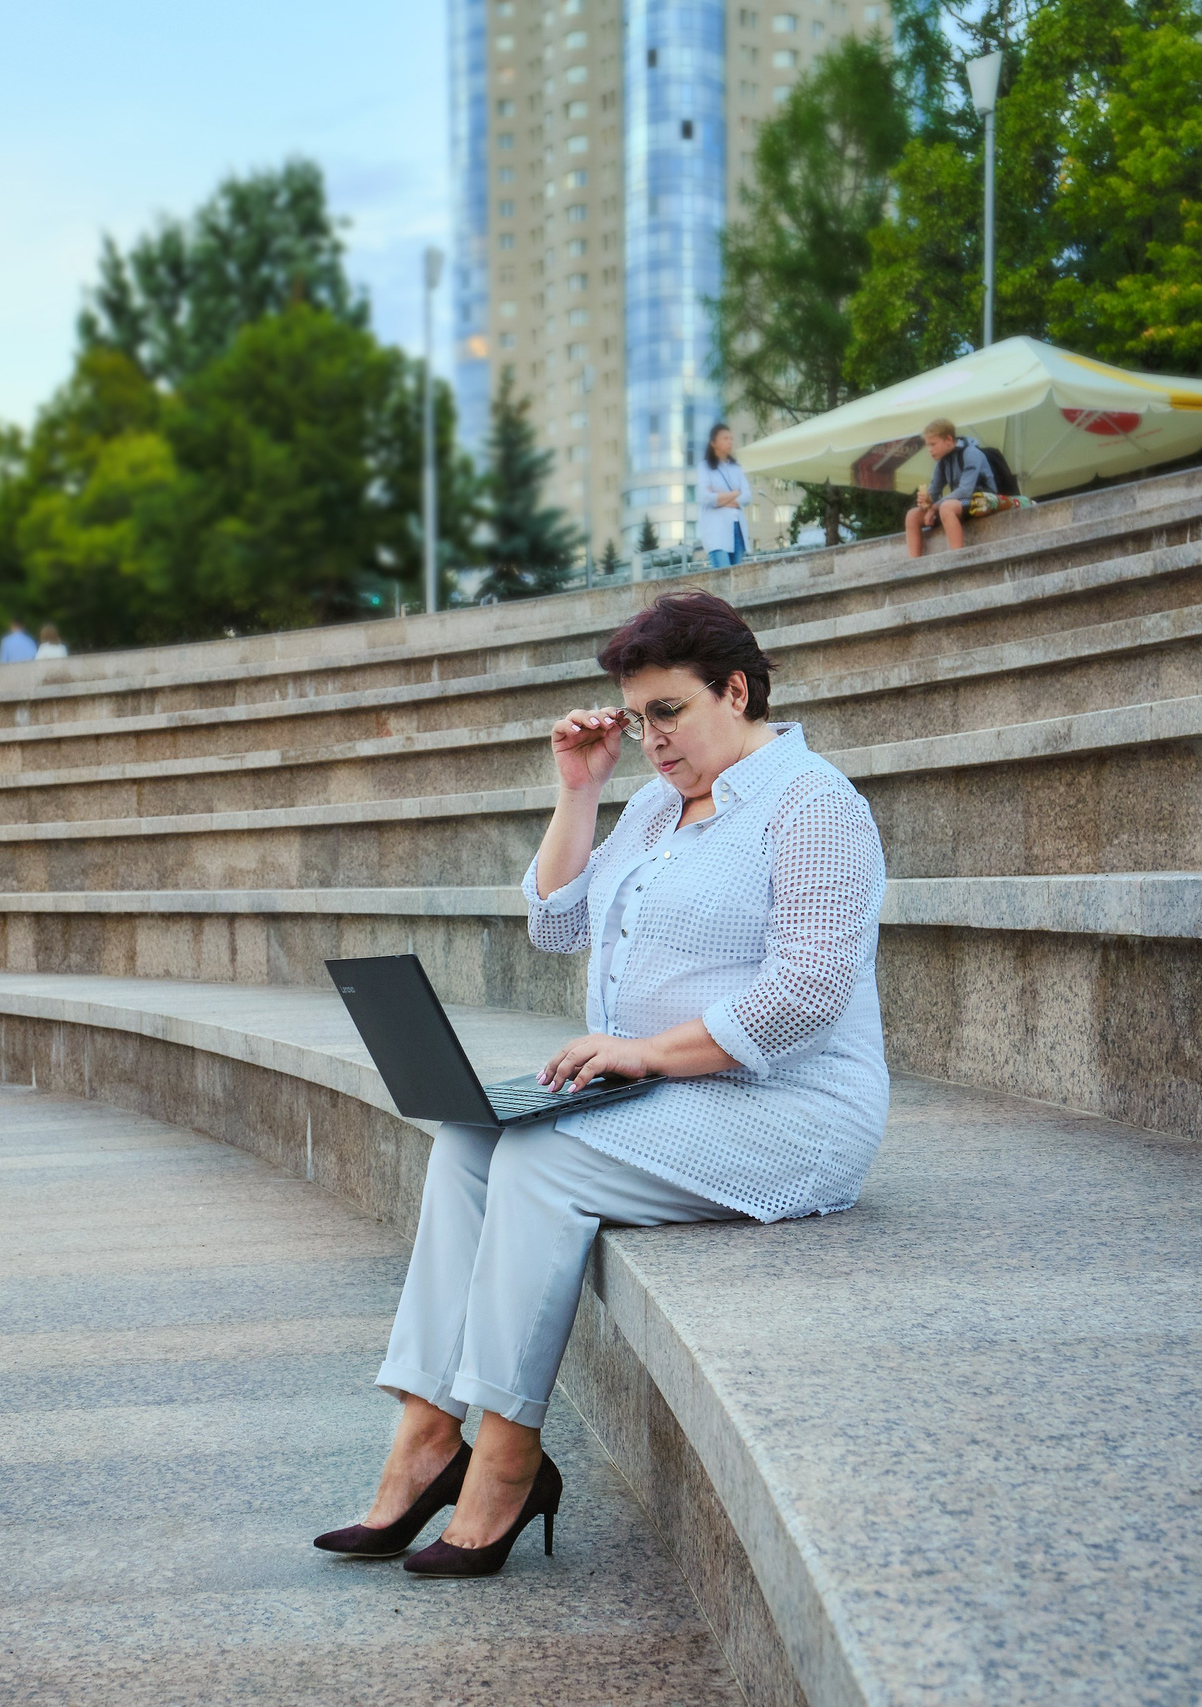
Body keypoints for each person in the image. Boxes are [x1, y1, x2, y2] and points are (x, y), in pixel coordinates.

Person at [314, 589, 890, 1578]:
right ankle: (423, 1435)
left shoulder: (814, 806)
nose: (651, 739)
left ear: (736, 689)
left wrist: (652, 1051)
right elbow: (556, 922)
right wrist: (579, 789)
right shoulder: (662, 804)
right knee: (468, 1135)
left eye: (667, 711)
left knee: (543, 1158)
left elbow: (807, 995)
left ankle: (505, 1458)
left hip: (787, 1108)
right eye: (637, 719)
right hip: (662, 1096)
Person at [904, 417, 996, 558]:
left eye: (933, 444)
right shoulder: (943, 461)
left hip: (984, 499)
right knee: (912, 515)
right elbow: (934, 492)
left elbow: (965, 491)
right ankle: (914, 564)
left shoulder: (971, 453)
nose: (930, 450)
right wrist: (926, 502)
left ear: (948, 439)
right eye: (928, 445)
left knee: (946, 507)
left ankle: (958, 558)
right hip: (960, 502)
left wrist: (934, 508)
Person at [698, 423, 752, 567]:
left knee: (738, 576)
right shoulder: (704, 467)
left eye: (731, 438)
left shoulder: (736, 468)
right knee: (723, 575)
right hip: (717, 530)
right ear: (713, 443)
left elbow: (747, 496)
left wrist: (719, 497)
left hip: (737, 528)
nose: (729, 441)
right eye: (725, 438)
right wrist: (734, 493)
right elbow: (705, 497)